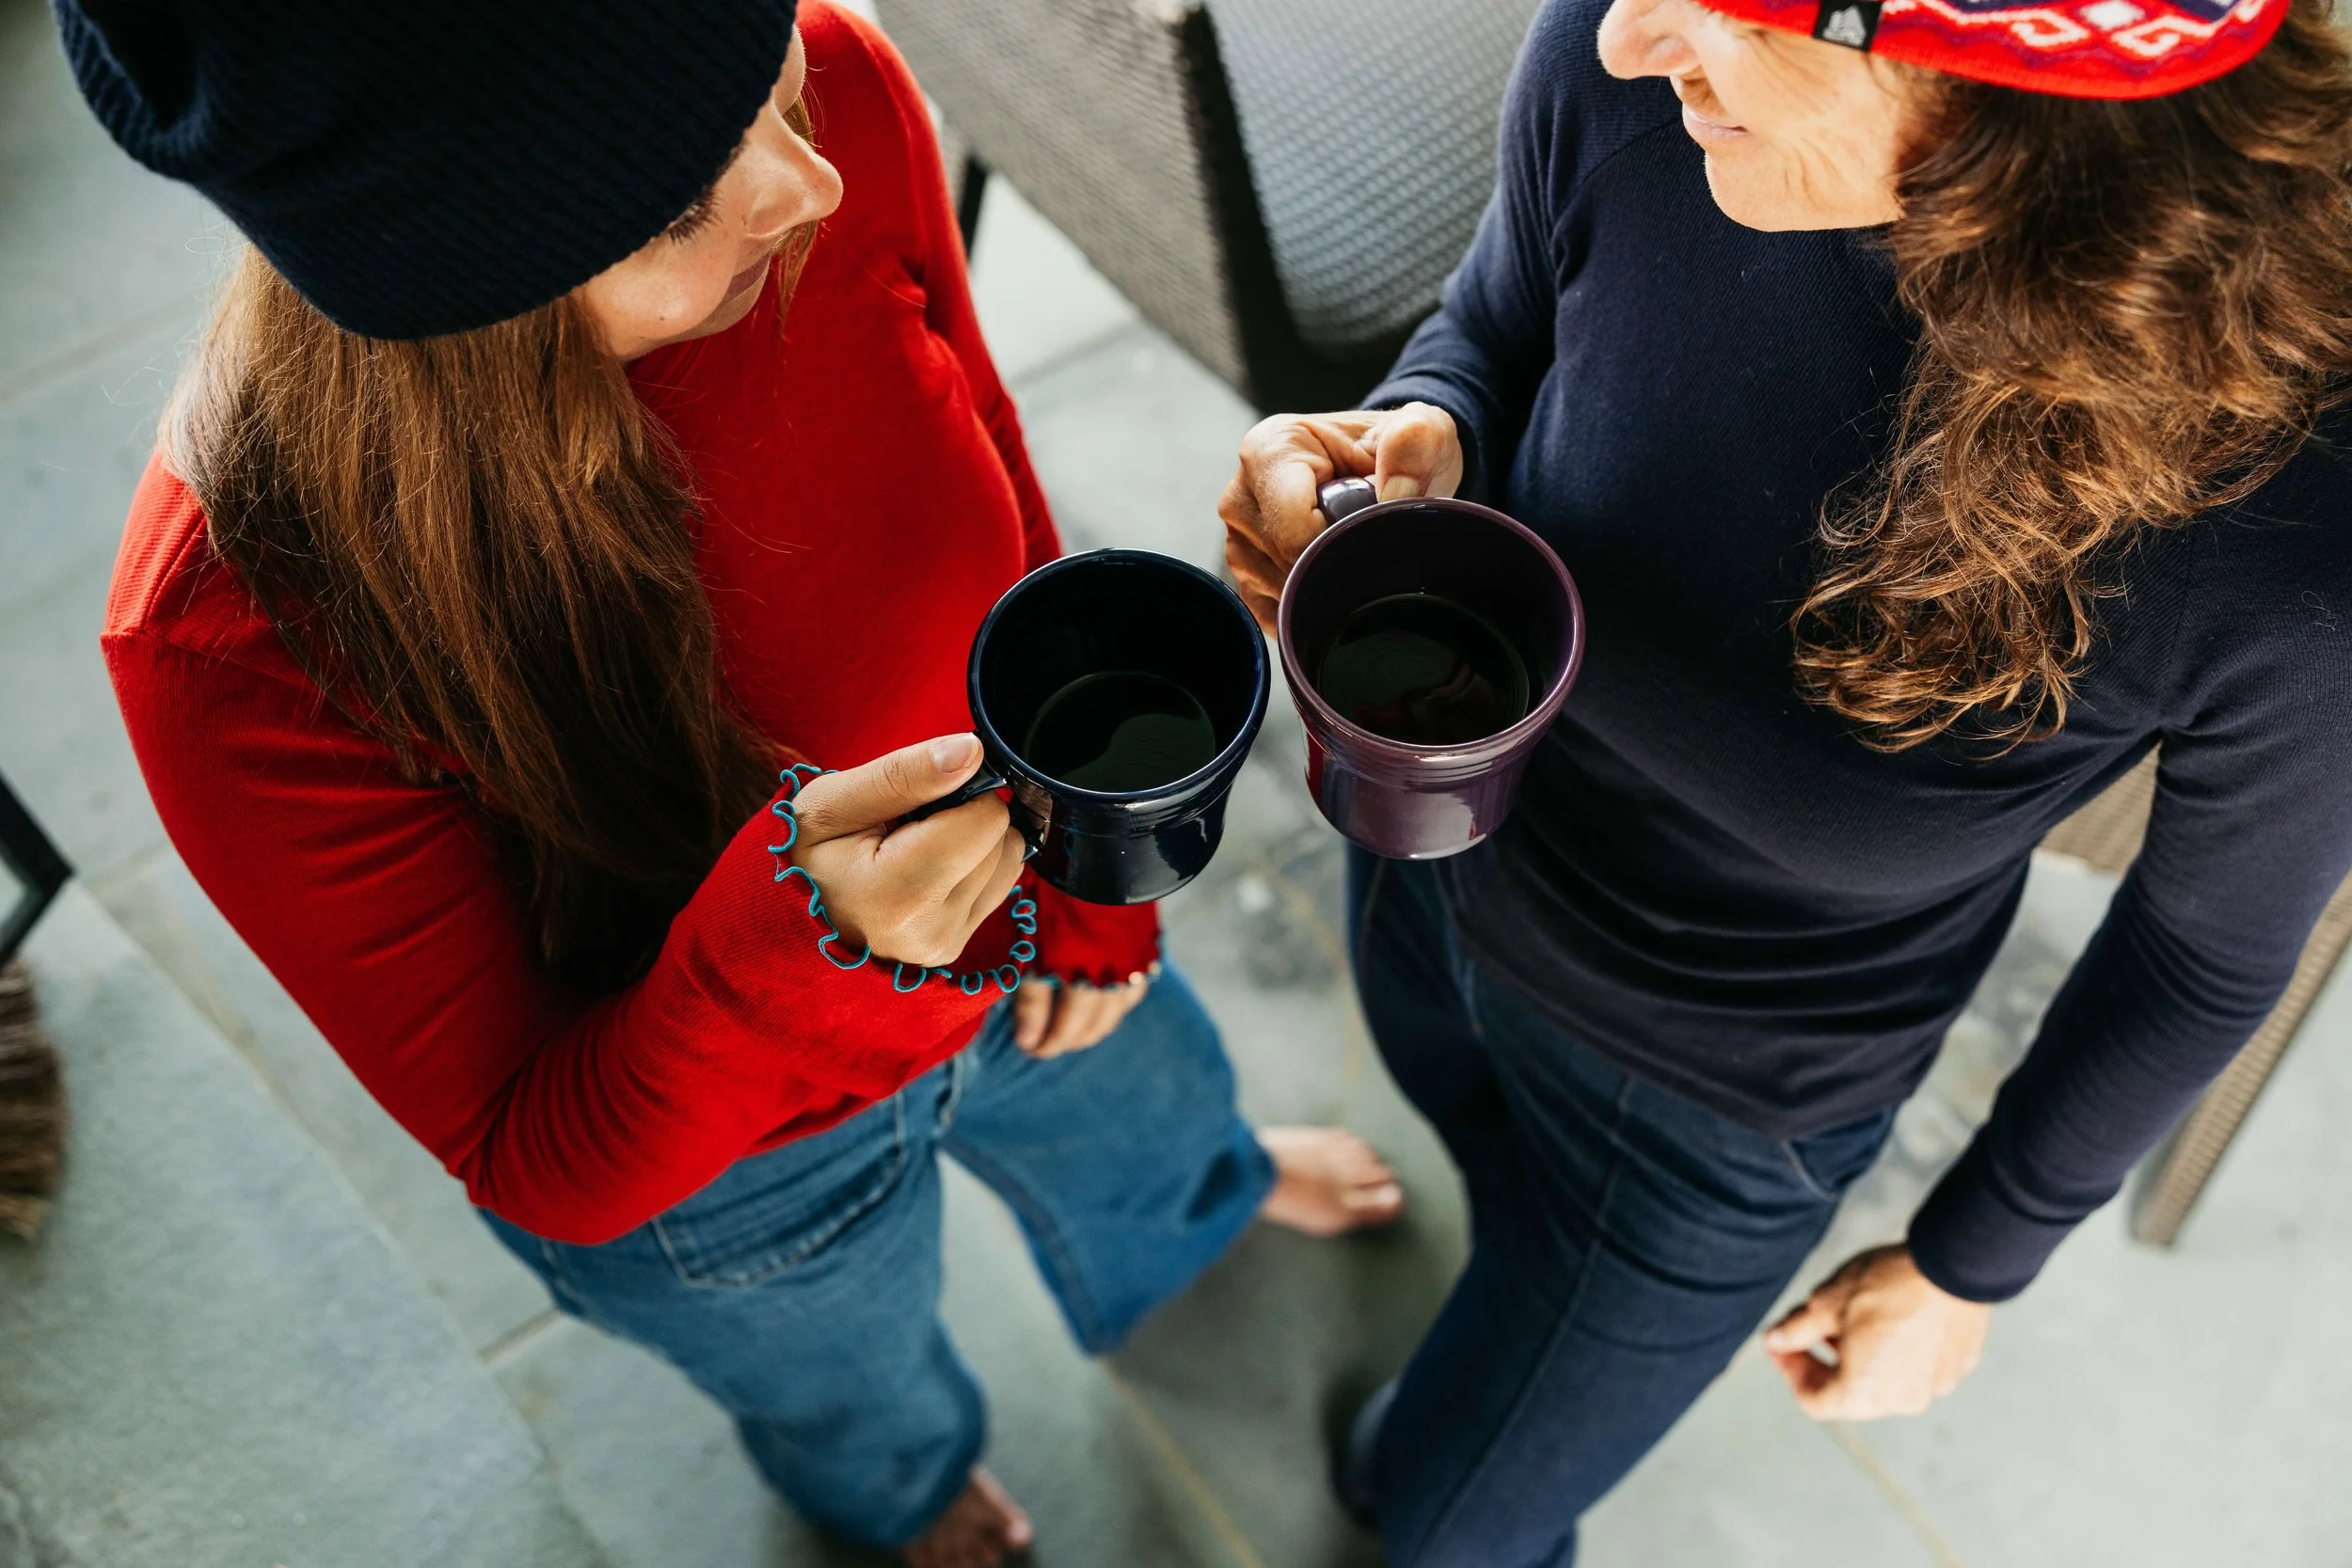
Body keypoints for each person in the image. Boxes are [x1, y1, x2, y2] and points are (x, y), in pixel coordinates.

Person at [65, 1, 1405, 1562]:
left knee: (1154, 1121)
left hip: (1023, 934)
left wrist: (1086, 877)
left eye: (771, 82)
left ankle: (1202, 1207)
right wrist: (797, 953)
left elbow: (981, 426)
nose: (810, 182)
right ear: (473, 295)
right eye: (691, 199)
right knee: (842, 1371)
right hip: (738, 1173)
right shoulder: (233, 638)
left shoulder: (826, 85)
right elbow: (530, 1149)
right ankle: (901, 1488)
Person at [1221, 0, 2352, 1558]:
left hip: (1712, 1107)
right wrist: (1426, 428)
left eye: (1741, 5)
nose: (1622, 39)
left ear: (2025, 84)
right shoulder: (1643, 89)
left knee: (1437, 1513)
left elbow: (2205, 953)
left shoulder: (2291, 527)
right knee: (1472, 1158)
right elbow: (1494, 326)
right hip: (1432, 869)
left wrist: (1973, 1257)